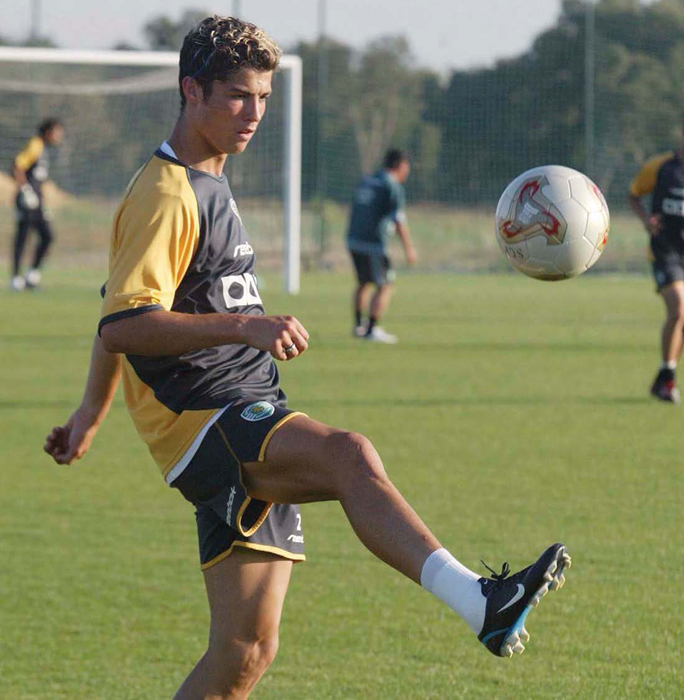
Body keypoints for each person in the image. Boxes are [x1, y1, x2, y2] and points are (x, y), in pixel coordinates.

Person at [44, 16, 570, 699]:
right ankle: (483, 603)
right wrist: (246, 326)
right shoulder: (167, 194)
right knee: (349, 455)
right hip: (208, 418)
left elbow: (113, 306)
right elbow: (125, 323)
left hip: (230, 417)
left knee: (243, 654)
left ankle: (482, 606)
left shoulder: (204, 180)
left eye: (263, 97)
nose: (254, 112)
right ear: (191, 91)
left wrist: (90, 413)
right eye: (237, 95)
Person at [629, 143, 684, 403]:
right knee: (679, 308)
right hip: (664, 251)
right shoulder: (660, 167)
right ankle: (666, 376)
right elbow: (634, 194)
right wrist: (645, 220)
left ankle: (666, 376)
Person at [346, 148, 417, 343]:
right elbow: (399, 220)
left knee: (363, 283)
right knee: (385, 285)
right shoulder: (392, 186)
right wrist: (409, 248)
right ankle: (372, 330)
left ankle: (359, 326)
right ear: (401, 166)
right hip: (373, 244)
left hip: (353, 240)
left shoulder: (367, 180)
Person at [11, 117, 64, 291]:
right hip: (26, 199)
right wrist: (25, 190)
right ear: (48, 132)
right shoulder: (35, 144)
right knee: (23, 236)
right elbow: (18, 165)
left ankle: (32, 275)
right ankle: (16, 278)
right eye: (57, 132)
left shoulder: (46, 151)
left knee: (47, 236)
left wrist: (44, 204)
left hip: (38, 202)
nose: (59, 136)